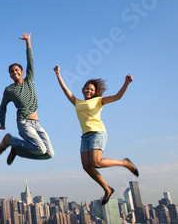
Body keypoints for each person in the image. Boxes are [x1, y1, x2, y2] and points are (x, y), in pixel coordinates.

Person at [53, 65, 139, 205]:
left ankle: (124, 162)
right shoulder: (77, 102)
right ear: (83, 90)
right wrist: (58, 74)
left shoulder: (99, 101)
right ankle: (107, 189)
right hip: (85, 136)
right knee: (86, 166)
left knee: (96, 162)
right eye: (87, 88)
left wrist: (126, 83)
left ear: (94, 92)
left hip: (97, 133)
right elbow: (65, 90)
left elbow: (117, 97)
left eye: (92, 90)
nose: (89, 90)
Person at [0, 33, 54, 165]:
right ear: (10, 75)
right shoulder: (9, 90)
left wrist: (28, 41)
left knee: (49, 153)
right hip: (24, 123)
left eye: (16, 70)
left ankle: (17, 151)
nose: (14, 72)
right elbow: (3, 106)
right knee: (41, 148)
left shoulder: (29, 81)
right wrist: (2, 123)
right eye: (11, 71)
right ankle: (10, 140)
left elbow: (30, 61)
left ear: (22, 72)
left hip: (37, 123)